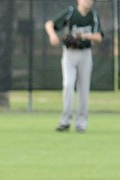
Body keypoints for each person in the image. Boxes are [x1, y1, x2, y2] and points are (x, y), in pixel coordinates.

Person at [44, 0, 103, 133]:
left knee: (83, 89)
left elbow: (99, 37)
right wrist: (53, 35)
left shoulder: (93, 15)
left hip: (85, 54)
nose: (89, 1)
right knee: (68, 85)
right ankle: (65, 121)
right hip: (70, 53)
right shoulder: (71, 13)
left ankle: (81, 123)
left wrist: (84, 36)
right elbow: (49, 24)